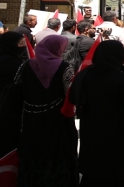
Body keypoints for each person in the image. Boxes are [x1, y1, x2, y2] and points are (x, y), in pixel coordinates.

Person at [69, 40, 124, 187]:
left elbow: (72, 97)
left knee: (95, 169)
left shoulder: (84, 75)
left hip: (92, 128)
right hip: (119, 131)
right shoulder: (123, 78)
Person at [17, 35, 78, 186]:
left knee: (33, 149)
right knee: (57, 151)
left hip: (31, 117)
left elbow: (17, 88)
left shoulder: (25, 65)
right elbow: (69, 94)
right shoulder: (65, 68)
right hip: (57, 119)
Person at [0, 32, 27, 163]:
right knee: (8, 138)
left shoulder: (0, 58)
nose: (24, 46)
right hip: (8, 104)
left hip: (2, 102)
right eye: (20, 43)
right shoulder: (9, 62)